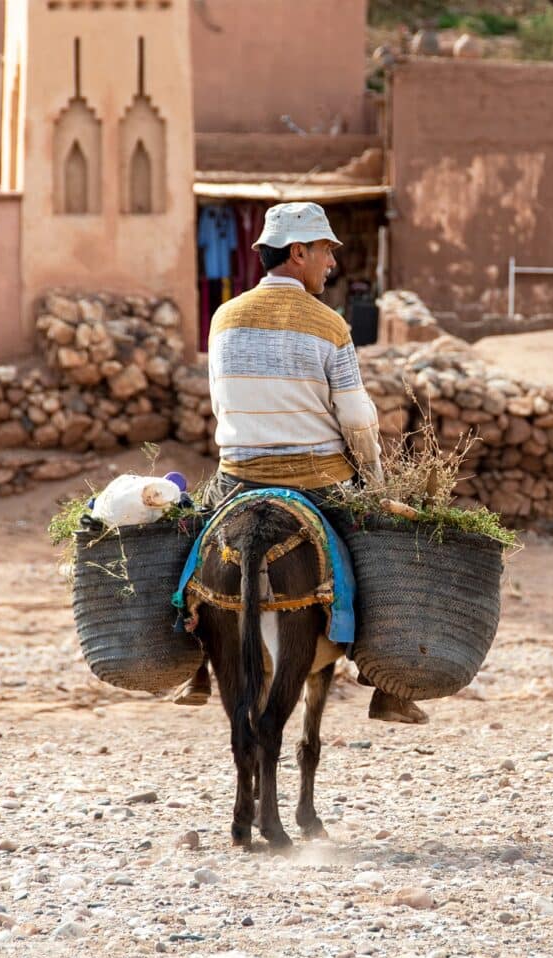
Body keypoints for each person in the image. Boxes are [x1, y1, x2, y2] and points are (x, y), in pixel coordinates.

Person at [170, 201, 428, 725]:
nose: (331, 263)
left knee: (188, 543)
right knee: (381, 558)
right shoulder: (330, 326)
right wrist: (373, 479)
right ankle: (385, 681)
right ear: (298, 252)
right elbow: (356, 418)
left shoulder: (224, 318)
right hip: (319, 482)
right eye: (326, 252)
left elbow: (222, 404)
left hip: (237, 478)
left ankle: (192, 658)